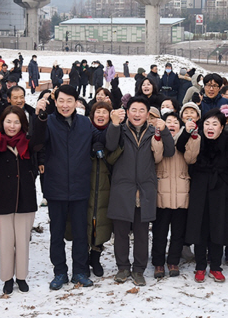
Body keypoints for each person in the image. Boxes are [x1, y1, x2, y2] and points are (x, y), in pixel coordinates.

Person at [31, 85, 105, 290]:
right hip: (56, 187)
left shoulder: (84, 123)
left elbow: (100, 139)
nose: (65, 105)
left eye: (69, 101)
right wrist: (39, 118)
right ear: (56, 102)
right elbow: (36, 143)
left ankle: (80, 271)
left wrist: (112, 125)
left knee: (81, 233)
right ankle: (60, 272)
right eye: (61, 101)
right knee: (57, 233)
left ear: (76, 102)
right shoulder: (49, 122)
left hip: (80, 187)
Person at [107, 97, 175, 286]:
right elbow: (110, 146)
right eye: (133, 110)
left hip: (145, 189)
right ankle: (122, 267)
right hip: (122, 188)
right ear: (127, 112)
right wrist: (113, 125)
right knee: (120, 232)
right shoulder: (120, 130)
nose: (137, 114)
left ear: (148, 114)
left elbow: (169, 152)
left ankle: (138, 270)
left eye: (141, 110)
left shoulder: (154, 133)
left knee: (142, 233)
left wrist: (166, 130)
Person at [186, 107, 228, 282]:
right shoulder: (197, 140)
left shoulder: (227, 141)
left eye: (215, 124)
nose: (210, 127)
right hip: (199, 187)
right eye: (207, 123)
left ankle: (216, 266)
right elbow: (182, 148)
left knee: (218, 227)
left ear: (221, 127)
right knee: (200, 228)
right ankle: (200, 266)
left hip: (221, 188)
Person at [0, 105, 39, 294]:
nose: (12, 126)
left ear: (22, 124)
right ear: (2, 123)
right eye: (8, 122)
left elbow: (41, 140)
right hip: (2, 198)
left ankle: (21, 277)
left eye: (16, 122)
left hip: (25, 197)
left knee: (23, 241)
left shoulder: (28, 142)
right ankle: (7, 278)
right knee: (6, 241)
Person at [151, 106, 200, 279]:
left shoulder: (185, 139)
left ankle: (173, 261)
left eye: (175, 122)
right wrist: (158, 138)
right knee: (159, 231)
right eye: (168, 122)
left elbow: (191, 158)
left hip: (182, 191)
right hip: (161, 191)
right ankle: (158, 262)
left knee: (178, 232)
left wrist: (193, 138)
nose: (172, 124)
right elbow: (156, 157)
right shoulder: (157, 138)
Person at [86, 102, 122, 277]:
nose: (100, 115)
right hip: (86, 184)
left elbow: (116, 154)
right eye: (97, 112)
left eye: (105, 112)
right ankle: (83, 258)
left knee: (101, 222)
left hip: (106, 186)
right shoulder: (84, 131)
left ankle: (95, 256)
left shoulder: (114, 134)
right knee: (85, 221)